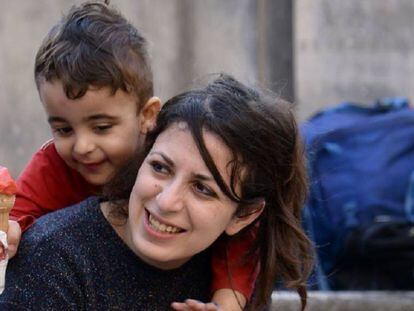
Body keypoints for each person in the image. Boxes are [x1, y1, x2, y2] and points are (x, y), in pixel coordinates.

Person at [4, 1, 257, 309]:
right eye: (64, 130)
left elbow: (242, 238)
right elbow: (16, 213)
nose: (82, 146)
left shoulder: (175, 154)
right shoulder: (53, 167)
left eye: (101, 127)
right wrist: (10, 230)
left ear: (148, 115)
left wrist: (226, 303)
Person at [0, 74, 313, 310]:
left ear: (244, 215)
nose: (166, 201)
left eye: (203, 188)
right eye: (161, 168)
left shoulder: (236, 283)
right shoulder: (54, 258)